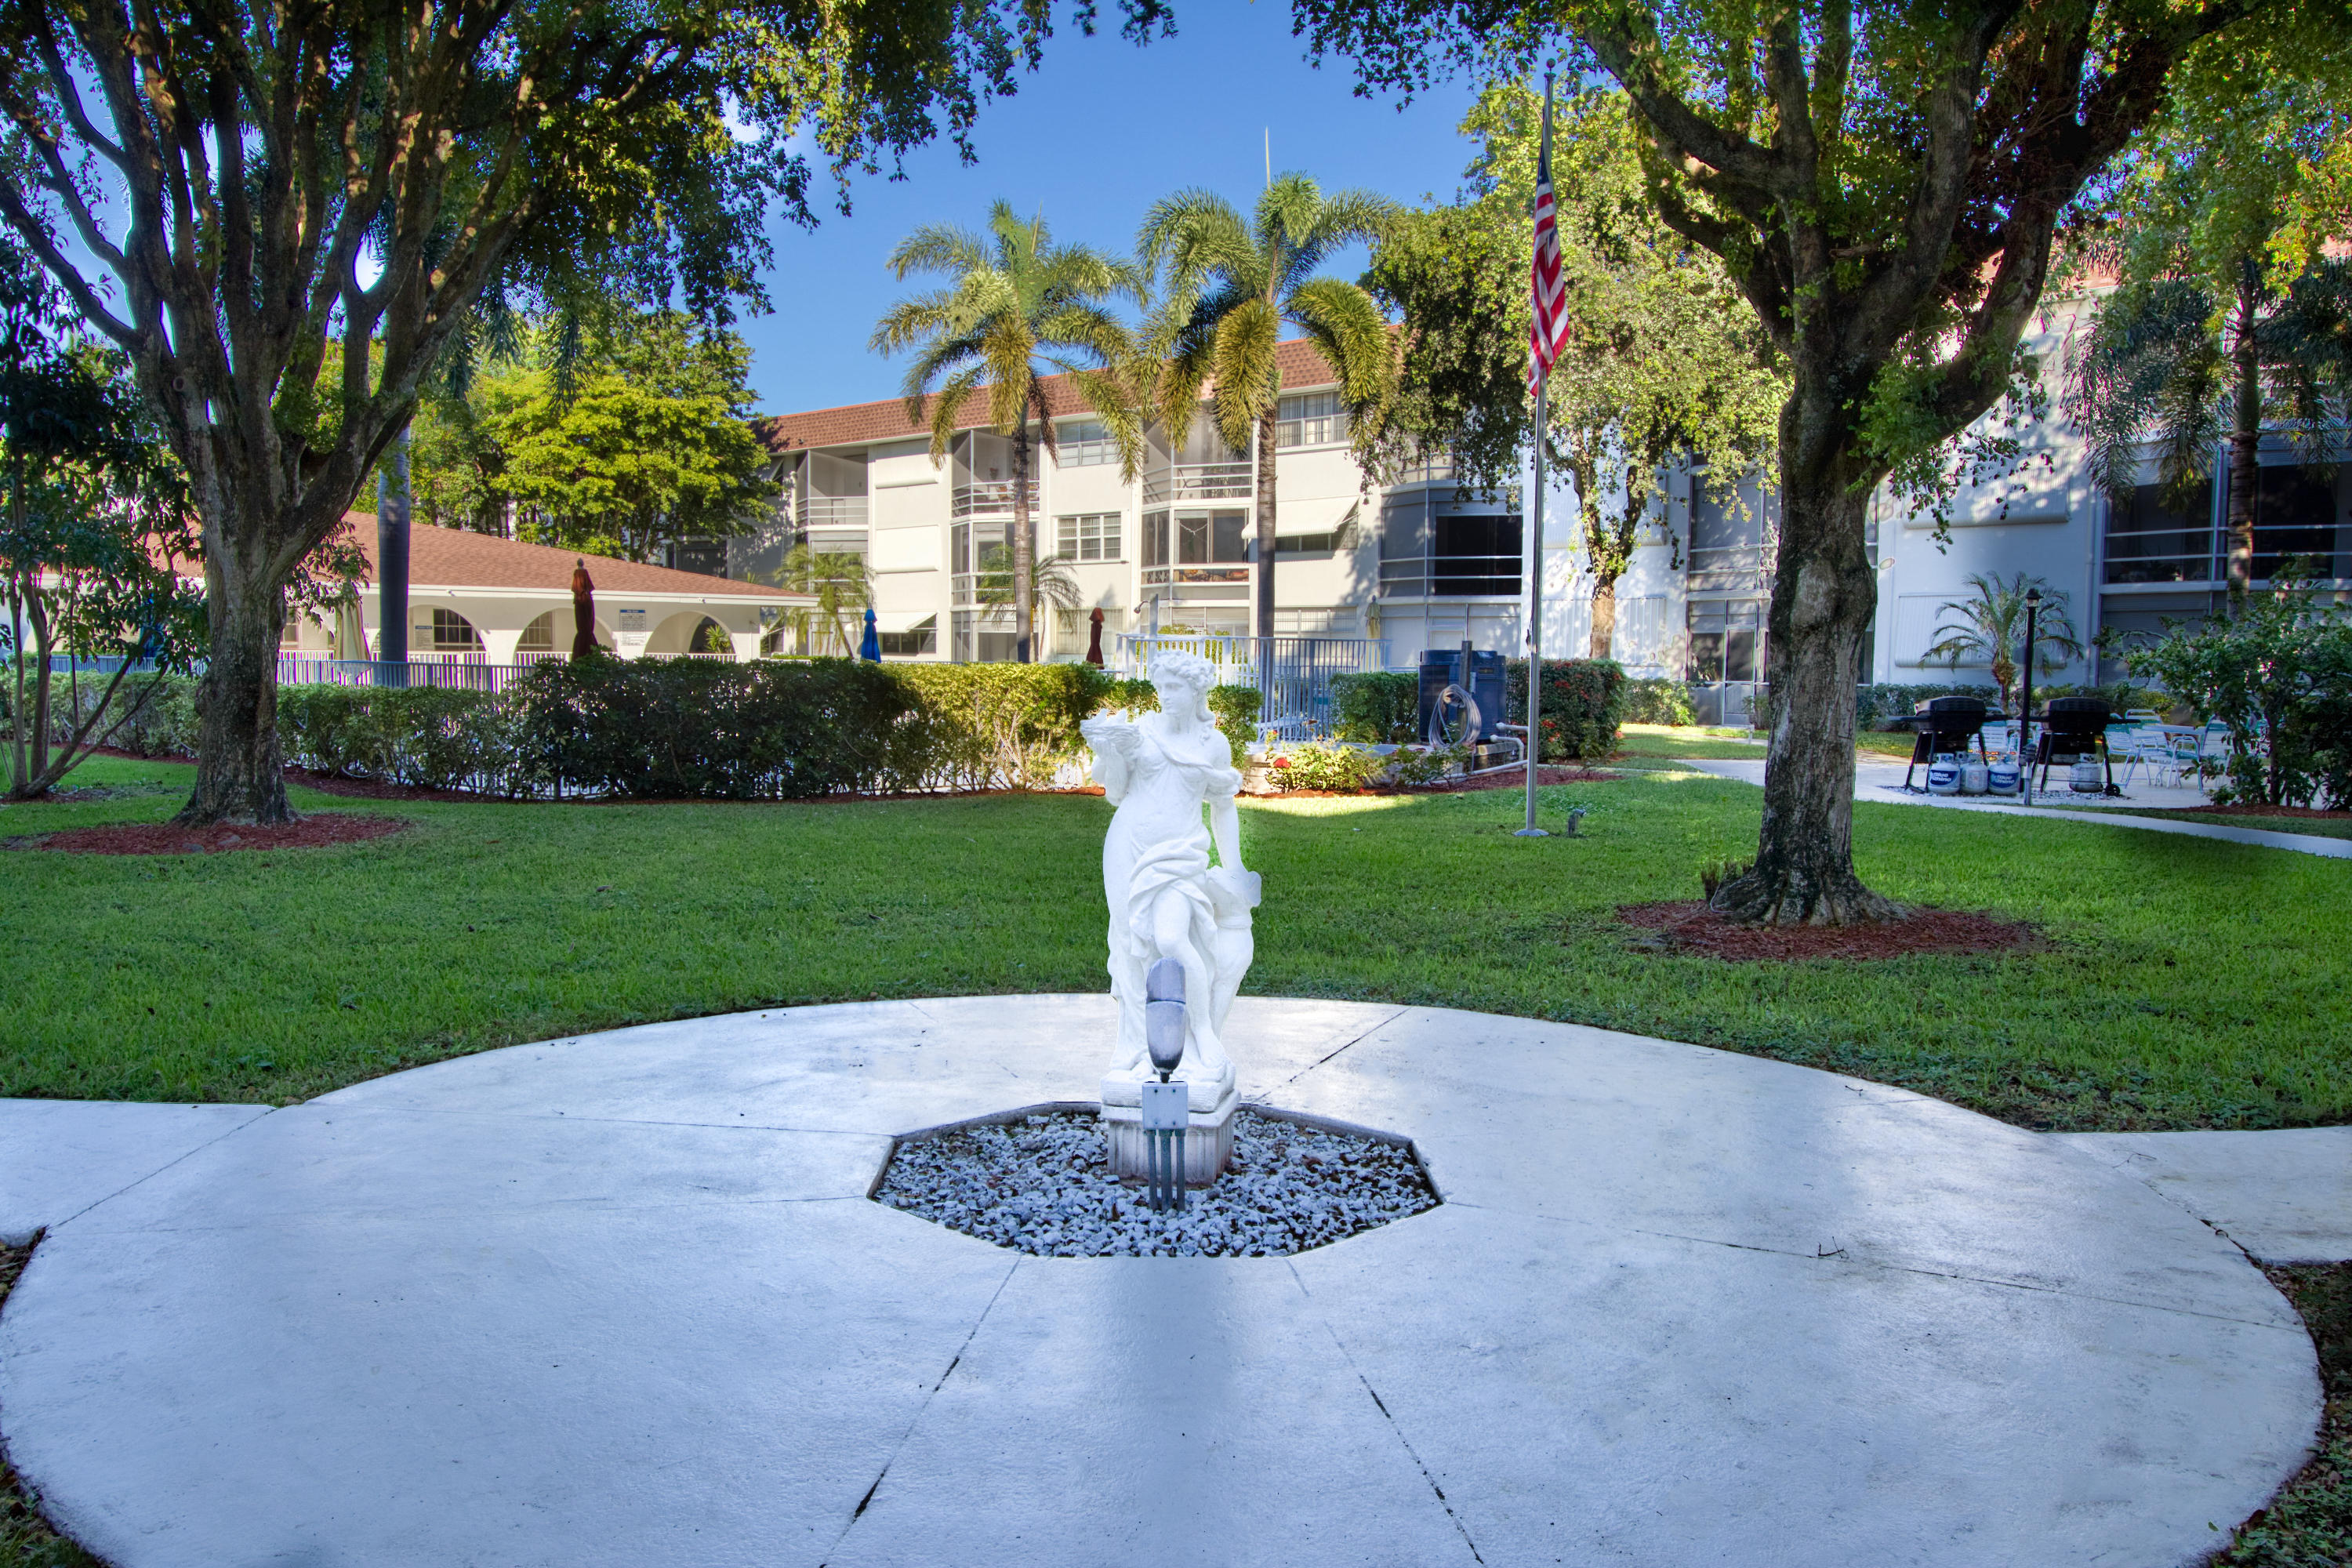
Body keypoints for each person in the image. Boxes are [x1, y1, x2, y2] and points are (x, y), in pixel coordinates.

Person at [1081, 649, 1258, 1111]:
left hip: (1180, 853)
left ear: (1197, 691)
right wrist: (1110, 753)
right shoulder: (1141, 731)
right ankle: (1137, 1047)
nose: (1166, 695)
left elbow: (1223, 808)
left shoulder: (1213, 744)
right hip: (1128, 848)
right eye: (1161, 687)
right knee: (1128, 944)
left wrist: (1234, 866)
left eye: (1175, 687)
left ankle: (1201, 1035)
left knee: (1172, 938)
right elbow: (1116, 792)